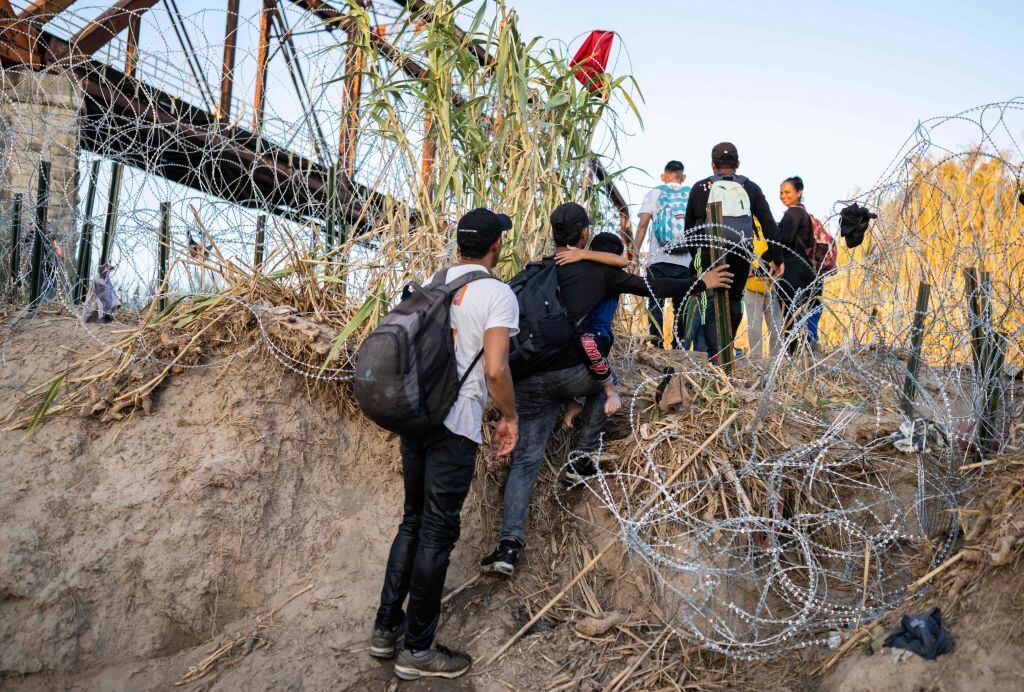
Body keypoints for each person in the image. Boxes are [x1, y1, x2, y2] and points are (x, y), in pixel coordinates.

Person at [480, 203, 732, 577]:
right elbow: (652, 287)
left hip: (527, 378)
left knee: (525, 463)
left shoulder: (537, 268)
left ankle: (508, 547)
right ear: (584, 235)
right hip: (571, 373)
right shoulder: (597, 267)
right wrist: (702, 283)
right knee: (603, 384)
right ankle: (581, 457)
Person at [371, 208, 520, 681]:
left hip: (415, 418)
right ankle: (418, 650)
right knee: (437, 532)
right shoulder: (497, 293)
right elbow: (496, 369)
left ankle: (385, 630)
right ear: (495, 246)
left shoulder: (432, 284)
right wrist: (511, 416)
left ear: (460, 244)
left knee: (411, 521)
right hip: (454, 424)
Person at [683, 142, 784, 360]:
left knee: (710, 298)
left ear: (713, 165)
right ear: (737, 164)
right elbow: (768, 223)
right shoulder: (750, 187)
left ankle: (714, 354)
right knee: (734, 298)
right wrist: (777, 256)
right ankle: (727, 347)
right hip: (741, 251)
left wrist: (696, 258)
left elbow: (689, 229)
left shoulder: (701, 188)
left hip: (710, 249)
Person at [555, 232, 627, 429]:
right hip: (593, 343)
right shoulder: (613, 277)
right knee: (606, 381)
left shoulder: (575, 272)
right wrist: (610, 389)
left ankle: (570, 403)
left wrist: (582, 254)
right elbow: (624, 262)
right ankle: (586, 447)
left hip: (566, 346)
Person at [633, 161, 703, 350]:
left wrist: (634, 253)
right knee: (680, 305)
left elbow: (642, 226)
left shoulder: (654, 193)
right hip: (685, 261)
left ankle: (655, 345)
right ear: (683, 177)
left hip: (658, 260)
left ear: (664, 176)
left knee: (655, 302)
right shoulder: (691, 194)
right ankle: (678, 346)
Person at [775, 176, 818, 352]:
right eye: (781, 192)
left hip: (793, 270)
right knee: (799, 314)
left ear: (799, 192)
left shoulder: (793, 213)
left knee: (790, 315)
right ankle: (803, 351)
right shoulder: (803, 213)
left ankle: (792, 354)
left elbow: (784, 241)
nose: (783, 196)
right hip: (803, 269)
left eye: (787, 192)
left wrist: (768, 257)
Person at [743, 222, 783, 363]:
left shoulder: (744, 227)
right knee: (775, 323)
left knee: (754, 323)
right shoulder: (772, 227)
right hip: (772, 280)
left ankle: (756, 360)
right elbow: (778, 249)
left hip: (752, 280)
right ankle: (776, 359)